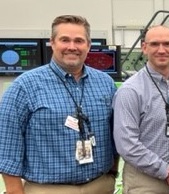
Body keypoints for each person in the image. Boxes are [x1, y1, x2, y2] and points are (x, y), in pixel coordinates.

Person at [0, 15, 118, 194]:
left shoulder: (105, 83)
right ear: (52, 43)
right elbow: (8, 144)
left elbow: (115, 132)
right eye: (65, 40)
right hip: (48, 189)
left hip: (100, 186)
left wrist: (112, 172)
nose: (72, 47)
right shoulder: (24, 86)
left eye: (79, 40)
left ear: (88, 44)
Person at [113, 25, 169, 194]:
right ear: (144, 48)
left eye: (167, 44)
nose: (161, 50)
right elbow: (127, 144)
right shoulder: (130, 90)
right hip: (145, 181)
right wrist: (164, 170)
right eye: (154, 44)